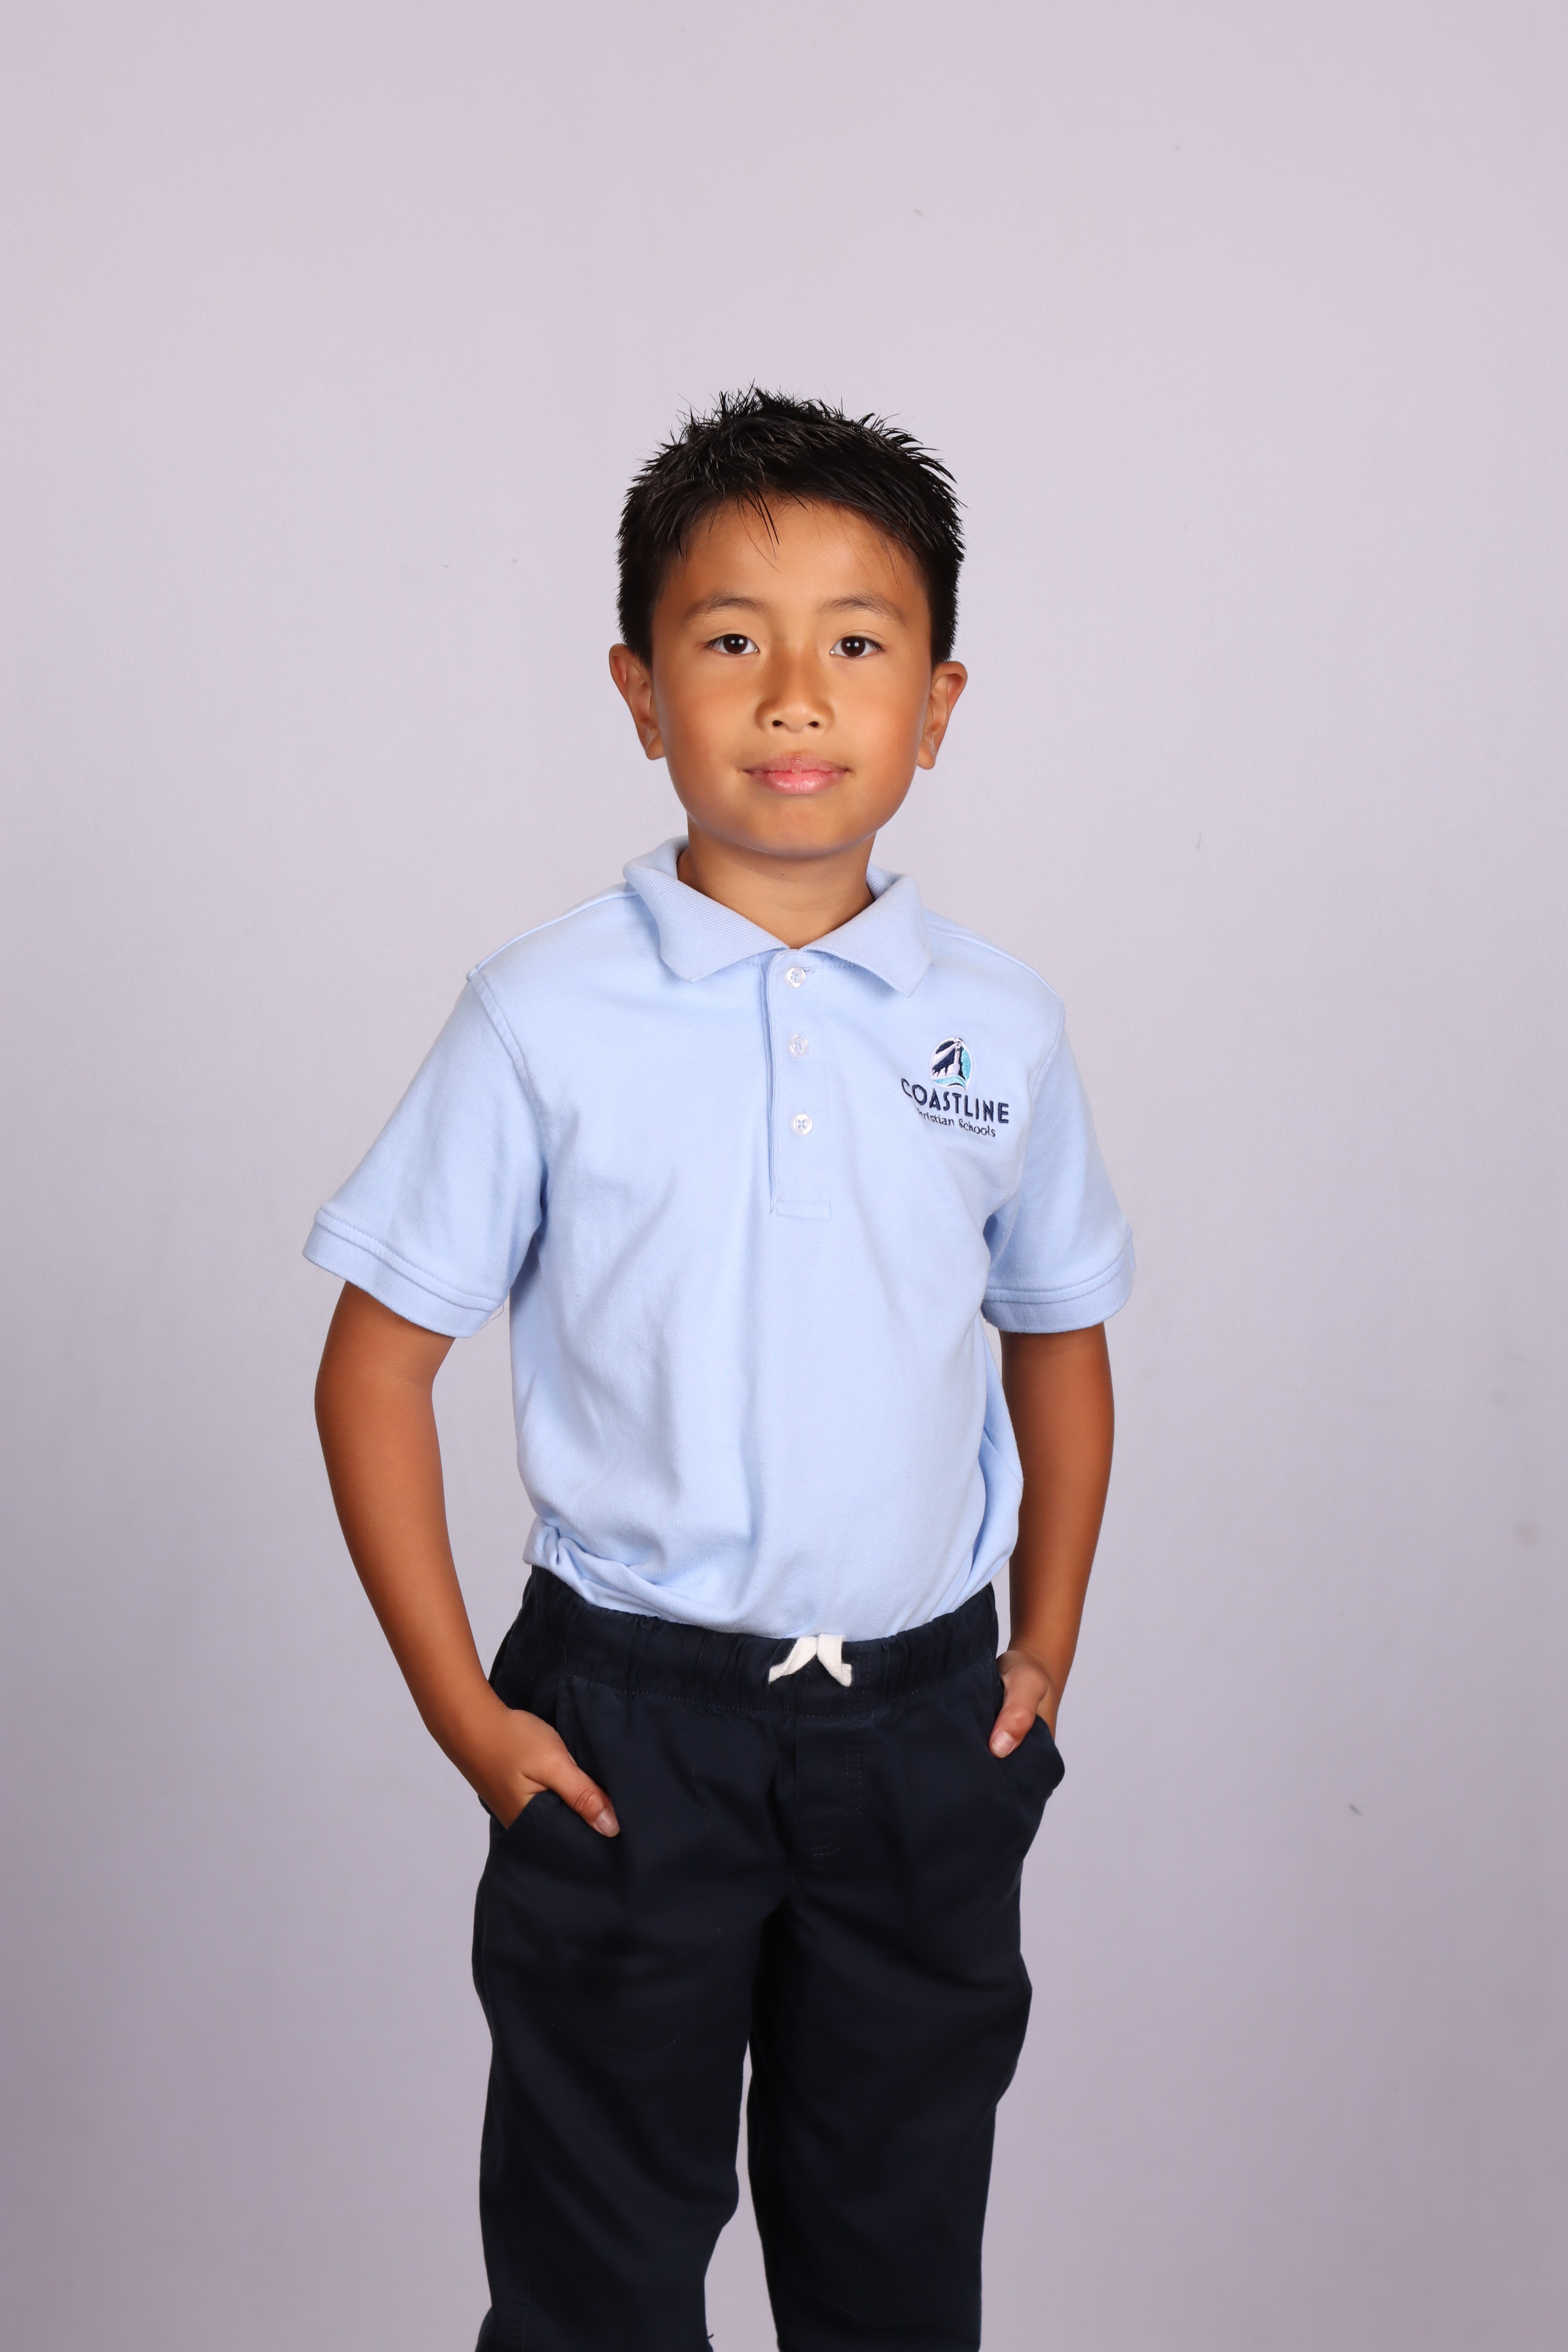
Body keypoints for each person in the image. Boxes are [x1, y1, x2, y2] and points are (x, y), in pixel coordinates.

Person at [308, 389, 1134, 2352]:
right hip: (630, 1728)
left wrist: (1041, 1643)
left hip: (920, 1732)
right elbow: (371, 1371)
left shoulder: (1001, 1024)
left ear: (936, 703)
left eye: (856, 643)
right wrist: (470, 1718)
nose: (793, 697)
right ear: (638, 690)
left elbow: (1058, 1337)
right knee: (596, 2271)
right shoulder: (542, 1016)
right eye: (731, 641)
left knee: (894, 2256)